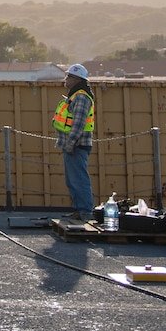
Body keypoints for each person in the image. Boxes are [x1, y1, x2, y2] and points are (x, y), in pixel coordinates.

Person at [53, 63, 95, 222]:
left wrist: (70, 143)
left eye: (69, 76)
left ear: (77, 79)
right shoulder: (75, 96)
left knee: (78, 179)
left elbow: (78, 123)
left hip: (77, 145)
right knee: (73, 179)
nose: (66, 79)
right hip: (72, 145)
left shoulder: (82, 97)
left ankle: (84, 211)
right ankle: (79, 209)